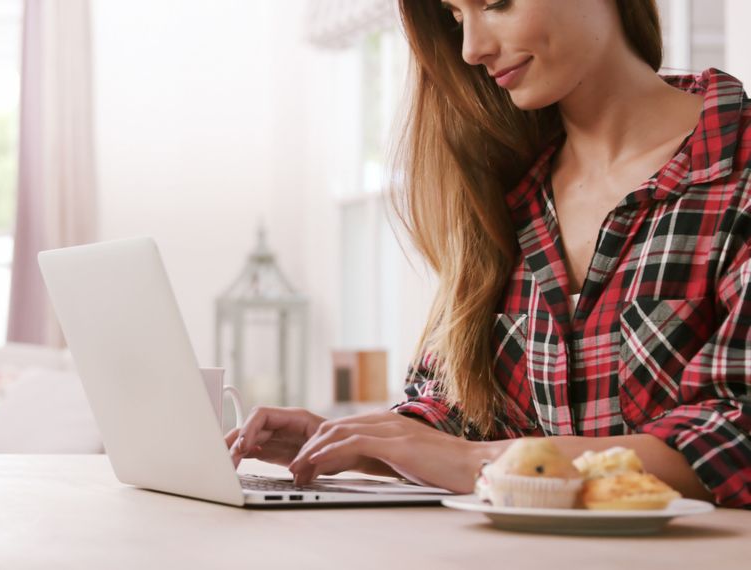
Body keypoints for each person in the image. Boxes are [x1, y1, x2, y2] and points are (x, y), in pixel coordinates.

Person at [225, 0, 751, 508]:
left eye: (497, 3)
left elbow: (738, 435)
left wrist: (483, 462)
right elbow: (460, 409)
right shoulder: (507, 195)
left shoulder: (737, 172)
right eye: (456, 17)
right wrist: (363, 443)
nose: (472, 49)